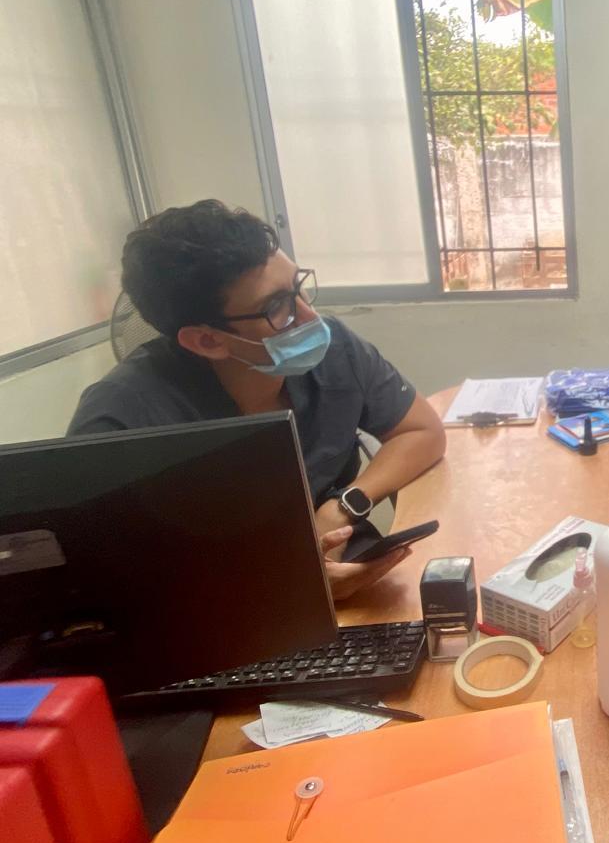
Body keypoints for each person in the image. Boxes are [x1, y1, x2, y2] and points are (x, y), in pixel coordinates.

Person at [68, 200, 447, 600]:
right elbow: (100, 583)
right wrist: (289, 586)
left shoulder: (337, 351)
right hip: (222, 607)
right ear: (207, 340)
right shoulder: (119, 421)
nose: (310, 317)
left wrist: (343, 506)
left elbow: (422, 430)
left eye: (298, 287)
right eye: (276, 307)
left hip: (342, 565)